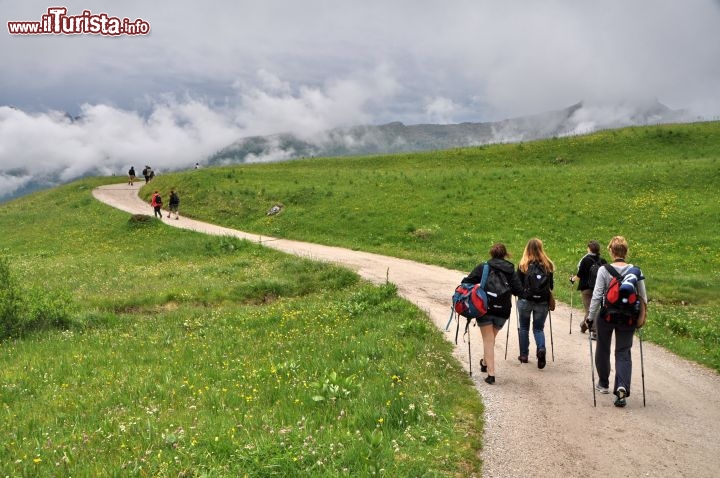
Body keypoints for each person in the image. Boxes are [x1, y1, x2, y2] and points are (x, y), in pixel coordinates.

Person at [587, 236, 647, 407]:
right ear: (625, 252)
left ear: (611, 251)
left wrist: (590, 318)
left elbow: (597, 296)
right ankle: (621, 387)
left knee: (603, 348)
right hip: (628, 318)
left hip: (607, 316)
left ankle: (603, 383)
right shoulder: (636, 271)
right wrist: (641, 318)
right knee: (623, 352)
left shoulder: (604, 270)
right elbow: (643, 297)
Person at [461, 243, 523, 384]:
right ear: (505, 254)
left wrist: (476, 288)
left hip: (485, 308)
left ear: (491, 253)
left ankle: (491, 374)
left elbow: (466, 282)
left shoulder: (484, 267)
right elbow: (519, 291)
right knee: (491, 339)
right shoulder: (510, 270)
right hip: (503, 310)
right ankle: (484, 363)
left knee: (488, 340)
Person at [516, 238, 555, 369]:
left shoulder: (523, 264)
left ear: (527, 248)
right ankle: (541, 348)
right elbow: (551, 286)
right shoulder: (548, 265)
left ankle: (524, 355)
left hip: (525, 300)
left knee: (524, 327)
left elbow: (518, 284)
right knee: (538, 328)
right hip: (542, 301)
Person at [570, 240, 607, 339]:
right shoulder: (602, 261)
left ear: (589, 249)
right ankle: (583, 326)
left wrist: (572, 279)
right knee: (592, 309)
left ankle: (595, 332)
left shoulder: (585, 260)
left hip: (586, 289)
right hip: (599, 289)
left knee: (590, 310)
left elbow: (579, 275)